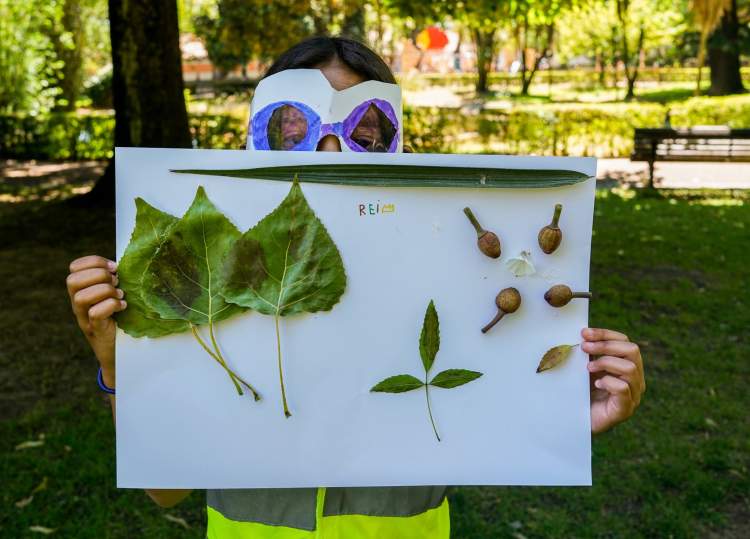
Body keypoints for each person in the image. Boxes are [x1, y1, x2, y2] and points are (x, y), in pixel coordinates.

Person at [66, 36, 645, 539]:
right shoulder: (223, 275)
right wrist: (120, 368)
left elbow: (486, 391)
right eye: (294, 130)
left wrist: (568, 415)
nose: (331, 154)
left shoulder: (445, 277)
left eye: (366, 131)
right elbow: (165, 492)